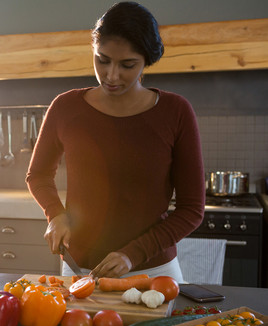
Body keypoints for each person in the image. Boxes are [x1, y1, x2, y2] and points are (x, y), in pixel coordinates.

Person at [26, 1, 205, 282]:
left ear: (147, 60)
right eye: (102, 60)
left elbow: (192, 209)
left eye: (127, 65)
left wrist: (132, 254)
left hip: (153, 271)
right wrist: (55, 215)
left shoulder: (176, 111)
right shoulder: (65, 107)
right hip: (79, 268)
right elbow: (37, 175)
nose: (111, 75)